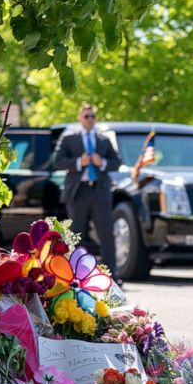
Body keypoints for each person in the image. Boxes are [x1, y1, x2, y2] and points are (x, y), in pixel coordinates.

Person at [53, 103, 123, 282]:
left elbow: (116, 162)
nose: (90, 119)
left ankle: (111, 275)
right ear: (80, 118)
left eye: (93, 116)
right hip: (78, 191)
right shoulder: (69, 138)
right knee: (76, 235)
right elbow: (58, 161)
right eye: (87, 116)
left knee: (107, 233)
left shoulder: (103, 139)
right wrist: (79, 162)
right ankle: (74, 275)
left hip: (99, 191)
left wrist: (103, 163)